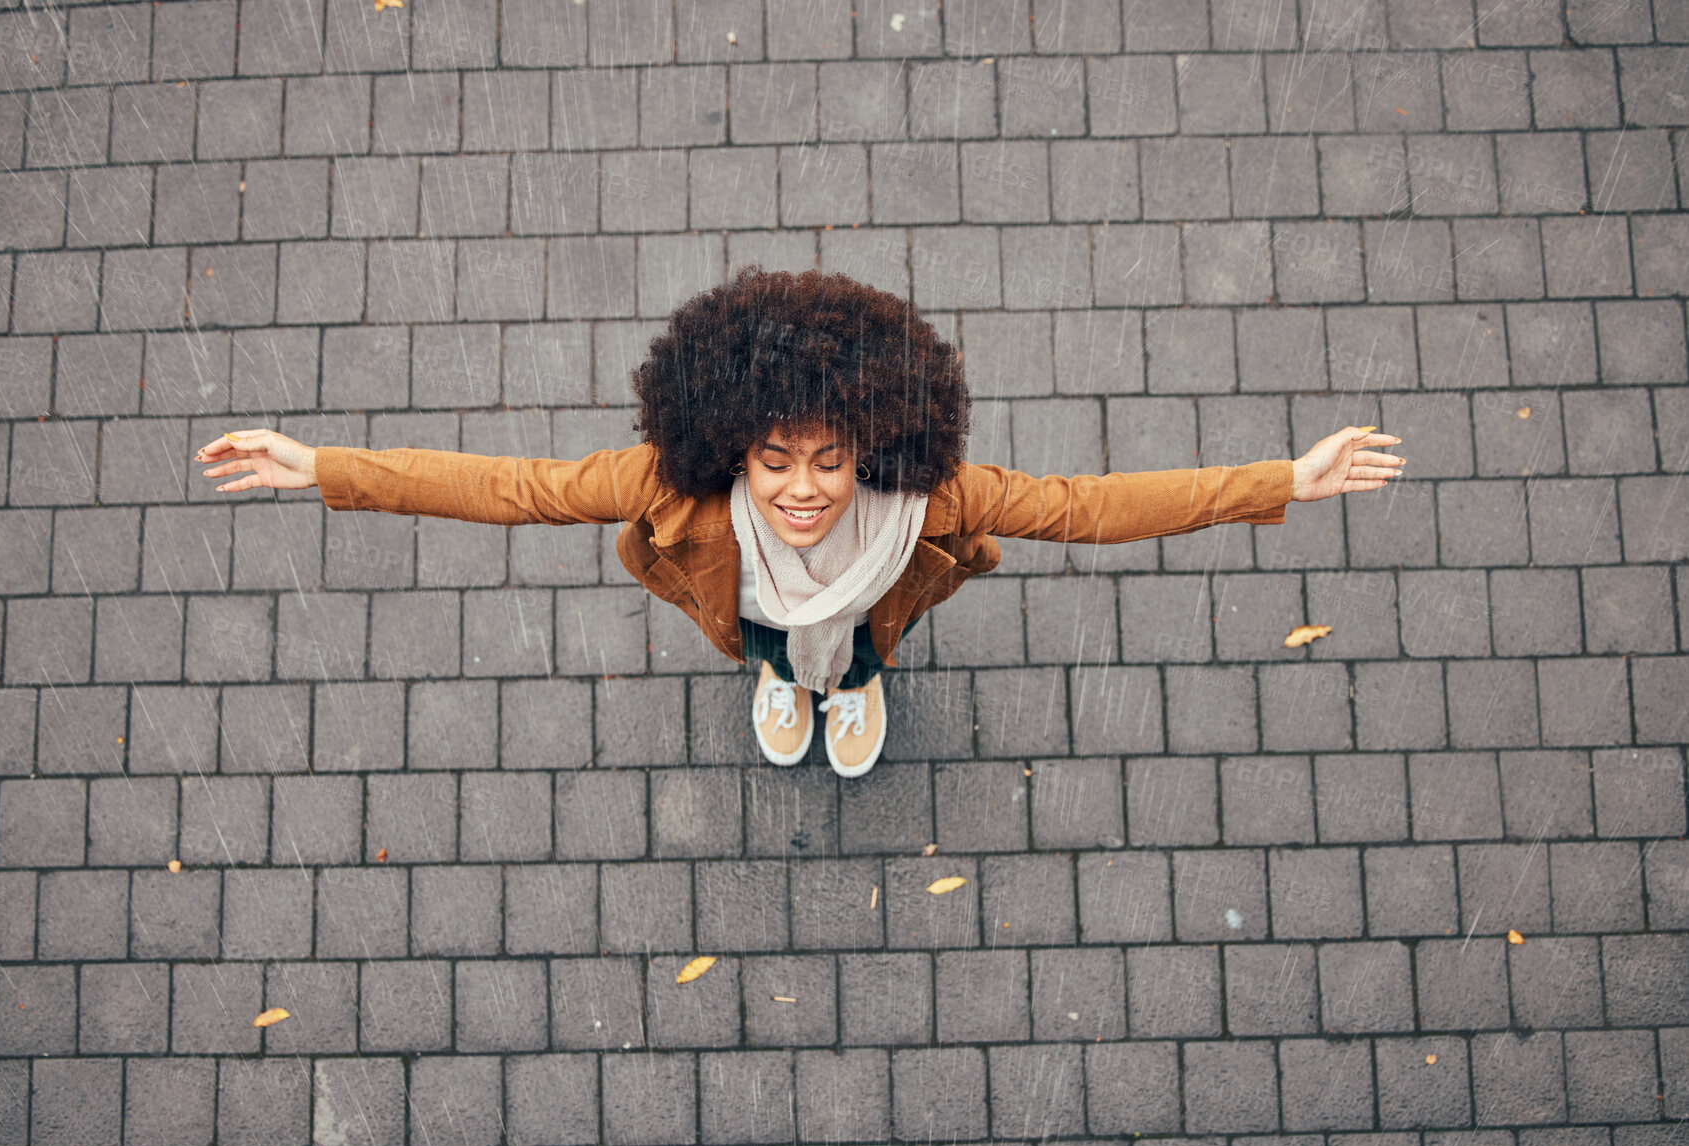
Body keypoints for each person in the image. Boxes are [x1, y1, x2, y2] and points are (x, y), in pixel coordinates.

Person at [195, 268, 1403, 777]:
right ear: (733, 448)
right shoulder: (672, 488)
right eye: (774, 463)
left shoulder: (933, 499)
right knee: (775, 651)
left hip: (875, 617)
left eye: (833, 460)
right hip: (757, 621)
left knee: (863, 651)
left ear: (876, 438)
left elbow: (1091, 509)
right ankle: (790, 686)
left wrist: (1283, 482)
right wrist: (325, 469)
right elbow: (513, 488)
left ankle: (851, 685)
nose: (806, 490)